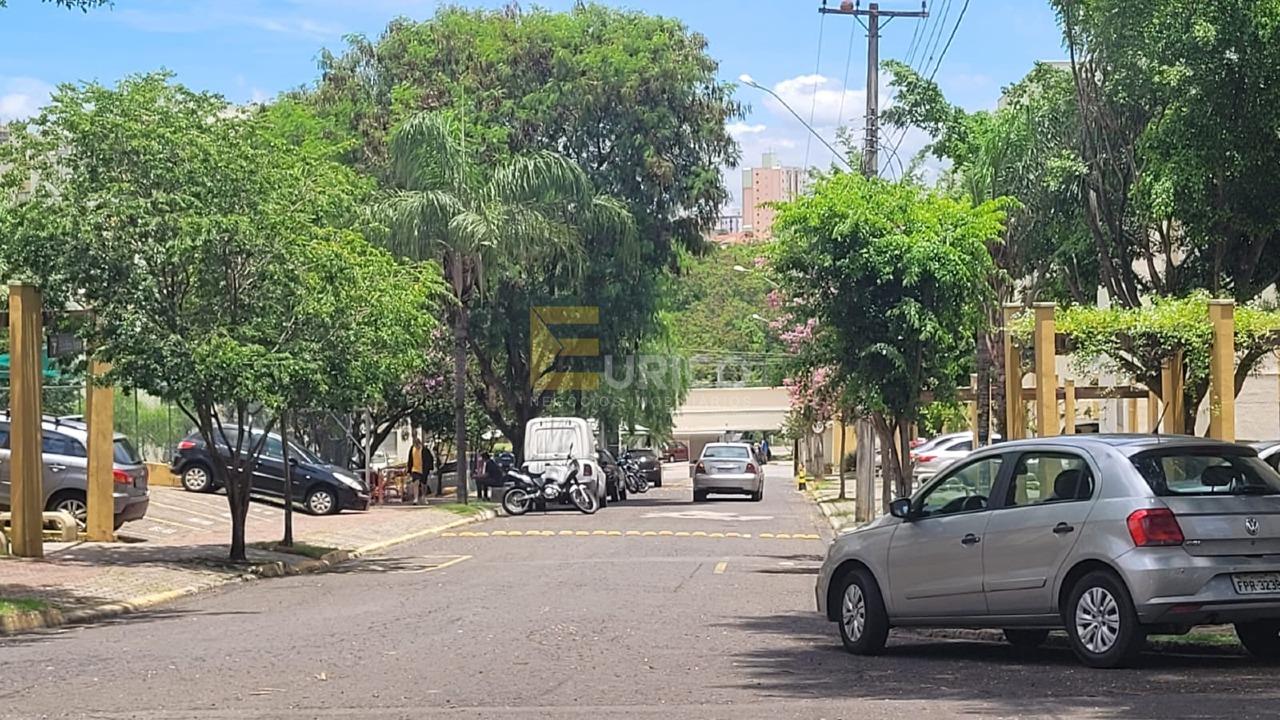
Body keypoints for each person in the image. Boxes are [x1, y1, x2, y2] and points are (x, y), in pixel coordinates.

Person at [408, 436, 429, 504]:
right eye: (415, 445)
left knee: (423, 485)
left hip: (423, 470)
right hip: (415, 469)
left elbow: (428, 460)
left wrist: (428, 468)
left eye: (418, 445)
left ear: (420, 444)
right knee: (416, 483)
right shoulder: (412, 449)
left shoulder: (424, 450)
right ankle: (416, 498)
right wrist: (409, 470)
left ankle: (424, 497)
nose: (417, 447)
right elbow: (410, 460)